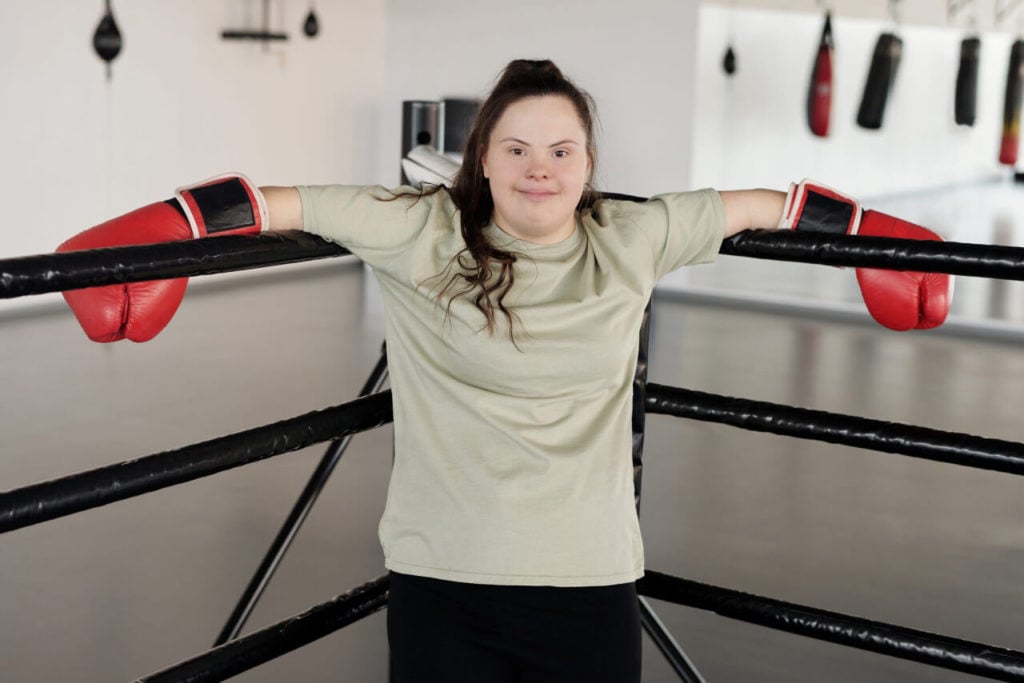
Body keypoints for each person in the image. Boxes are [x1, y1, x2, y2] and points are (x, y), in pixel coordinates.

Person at [56, 59, 951, 682]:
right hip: (444, 584)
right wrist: (167, 224)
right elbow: (269, 201)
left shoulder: (631, 236)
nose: (539, 168)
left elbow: (774, 202)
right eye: (515, 147)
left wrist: (876, 235)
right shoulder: (420, 229)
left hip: (590, 586)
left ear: (590, 165)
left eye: (561, 150)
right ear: (481, 157)